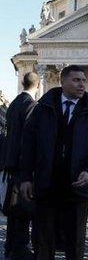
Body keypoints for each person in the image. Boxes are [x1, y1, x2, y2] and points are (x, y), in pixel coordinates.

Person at [19, 65, 88, 260]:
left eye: (84, 80)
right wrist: (25, 177)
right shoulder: (42, 108)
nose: (82, 84)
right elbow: (28, 144)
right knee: (43, 242)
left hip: (77, 186)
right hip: (47, 185)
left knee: (75, 243)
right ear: (62, 82)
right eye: (76, 80)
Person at [1, 72, 39, 259]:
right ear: (37, 86)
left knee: (14, 207)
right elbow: (27, 138)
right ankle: (20, 248)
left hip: (11, 162)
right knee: (22, 207)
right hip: (22, 163)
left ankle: (10, 246)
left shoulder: (14, 103)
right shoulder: (31, 105)